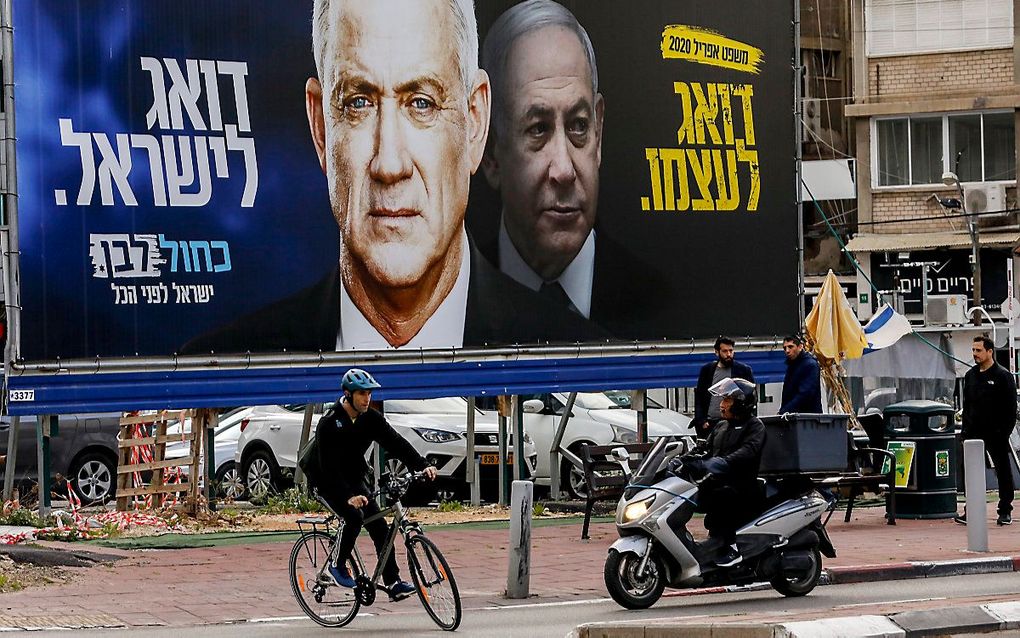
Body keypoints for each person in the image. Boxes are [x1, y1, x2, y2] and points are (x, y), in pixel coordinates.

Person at [182, 0, 606, 354]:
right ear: (320, 127)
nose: (390, 164)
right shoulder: (224, 367)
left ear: (475, 124)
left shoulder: (578, 360)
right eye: (358, 103)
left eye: (421, 103)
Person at [478, 0, 665, 338]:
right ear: (491, 151)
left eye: (579, 125)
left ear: (599, 130)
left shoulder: (657, 304)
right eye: (538, 129)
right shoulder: (455, 313)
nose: (564, 170)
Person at [311, 368, 438, 599]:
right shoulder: (329, 423)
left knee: (380, 526)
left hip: (354, 479)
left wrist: (421, 465)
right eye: (361, 393)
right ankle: (337, 564)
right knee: (353, 517)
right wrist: (348, 496)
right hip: (326, 482)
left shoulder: (370, 418)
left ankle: (393, 583)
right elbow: (328, 469)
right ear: (348, 394)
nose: (367, 398)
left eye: (369, 393)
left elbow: (396, 443)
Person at [676, 377, 765, 567]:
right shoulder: (721, 426)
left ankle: (732, 548)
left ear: (741, 404)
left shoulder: (755, 426)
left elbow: (748, 451)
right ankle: (711, 544)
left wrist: (719, 463)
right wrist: (682, 460)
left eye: (727, 401)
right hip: (719, 481)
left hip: (743, 485)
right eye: (722, 400)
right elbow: (704, 449)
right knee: (690, 496)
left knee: (723, 497)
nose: (722, 405)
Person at [955, 336, 1016, 526]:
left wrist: (1003, 433)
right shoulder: (970, 376)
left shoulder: (1003, 376)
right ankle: (971, 509)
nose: (975, 354)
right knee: (971, 473)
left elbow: (1010, 409)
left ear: (990, 352)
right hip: (973, 433)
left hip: (996, 434)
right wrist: (965, 433)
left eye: (979, 350)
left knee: (1003, 471)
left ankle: (1005, 510)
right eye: (973, 350)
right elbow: (968, 405)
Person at [693, 336, 755, 439]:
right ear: (717, 352)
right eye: (725, 351)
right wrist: (702, 420)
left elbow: (750, 396)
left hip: (732, 423)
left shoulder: (743, 370)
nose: (729, 354)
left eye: (731, 351)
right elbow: (699, 396)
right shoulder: (707, 370)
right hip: (710, 423)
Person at [779, 335, 822, 413]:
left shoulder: (809, 365)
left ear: (800, 347)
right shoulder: (793, 364)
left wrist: (785, 410)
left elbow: (806, 393)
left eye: (790, 347)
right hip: (797, 417)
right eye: (785, 348)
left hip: (807, 418)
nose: (787, 351)